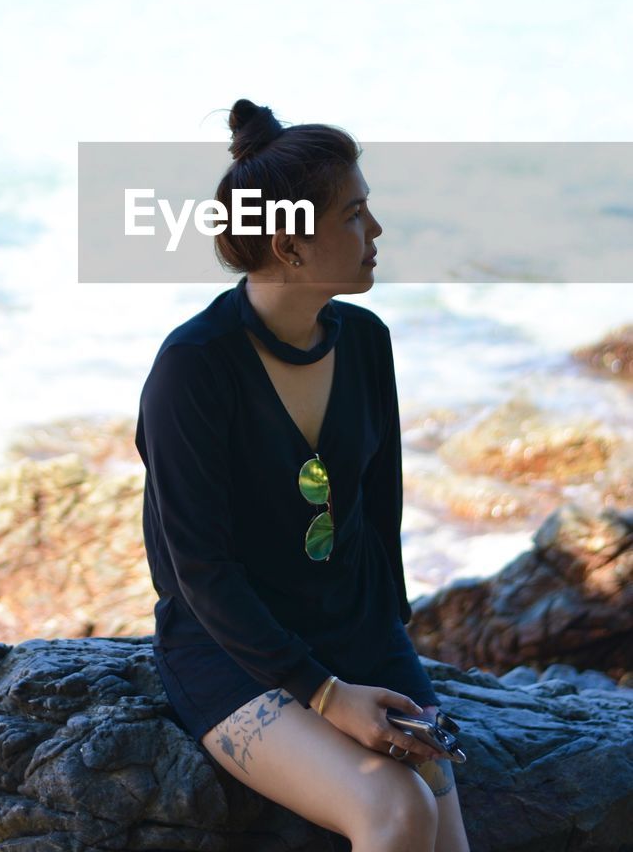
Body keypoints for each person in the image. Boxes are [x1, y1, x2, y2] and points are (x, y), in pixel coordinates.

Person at [135, 98, 471, 852]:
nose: (375, 233)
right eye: (354, 215)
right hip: (230, 652)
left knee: (441, 814)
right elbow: (201, 572)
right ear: (288, 245)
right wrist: (322, 694)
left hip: (357, 630)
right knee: (395, 810)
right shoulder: (194, 368)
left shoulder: (366, 342)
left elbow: (378, 516)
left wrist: (391, 654)